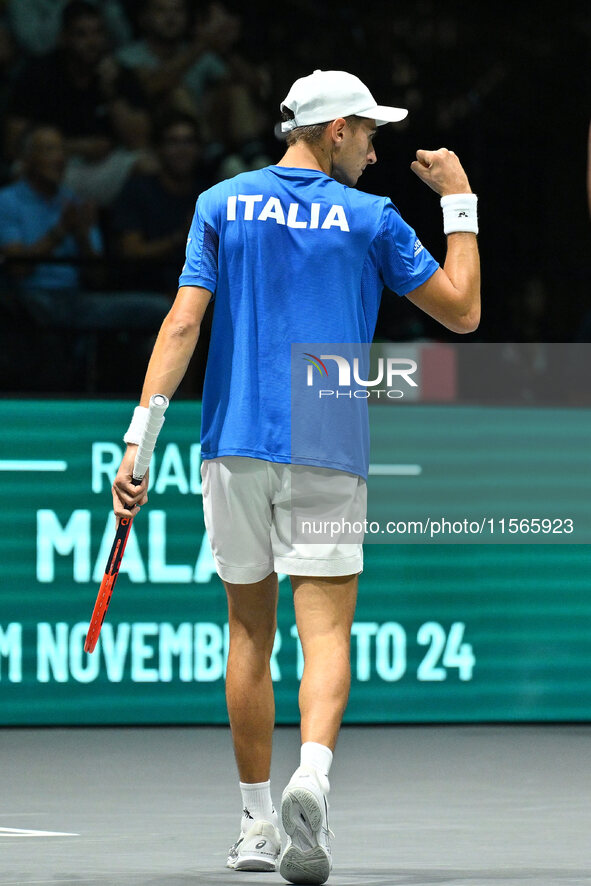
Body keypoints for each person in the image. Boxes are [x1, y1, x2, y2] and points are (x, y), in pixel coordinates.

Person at [111, 69, 480, 884]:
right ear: (337, 129)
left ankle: (253, 823)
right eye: (370, 133)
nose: (377, 149)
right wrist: (459, 202)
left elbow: (181, 324)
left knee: (249, 631)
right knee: (325, 634)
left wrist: (138, 441)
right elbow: (462, 309)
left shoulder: (219, 203)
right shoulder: (370, 217)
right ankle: (310, 778)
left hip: (233, 438)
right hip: (326, 434)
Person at [5, 0, 150, 205]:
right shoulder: (39, 74)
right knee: (20, 170)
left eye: (98, 33)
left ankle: (130, 231)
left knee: (148, 164)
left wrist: (111, 93)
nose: (92, 42)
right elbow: (14, 143)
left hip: (104, 168)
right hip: (59, 164)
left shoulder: (117, 73)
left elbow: (139, 142)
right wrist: (77, 147)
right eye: (81, 34)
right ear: (63, 38)